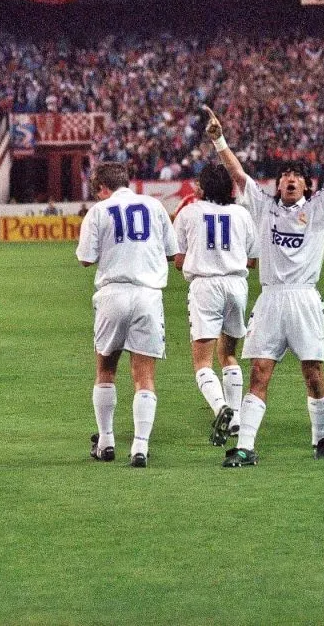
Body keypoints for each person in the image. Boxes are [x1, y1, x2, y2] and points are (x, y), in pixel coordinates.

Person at [204, 104, 324, 467]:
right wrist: (219, 140)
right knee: (259, 372)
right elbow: (238, 173)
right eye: (285, 176)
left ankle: (321, 439)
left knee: (313, 374)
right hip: (270, 300)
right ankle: (245, 446)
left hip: (304, 299)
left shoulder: (320, 207)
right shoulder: (264, 208)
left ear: (306, 185)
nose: (291, 180)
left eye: (297, 176)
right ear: (278, 184)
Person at [76, 162, 179, 468]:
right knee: (144, 375)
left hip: (113, 294)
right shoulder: (155, 206)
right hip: (148, 295)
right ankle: (140, 448)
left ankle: (106, 441)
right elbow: (173, 253)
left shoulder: (99, 211)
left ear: (101, 188)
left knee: (106, 369)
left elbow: (86, 259)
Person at [172, 163, 258, 446]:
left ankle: (221, 407)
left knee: (202, 362)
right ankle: (235, 420)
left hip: (205, 286)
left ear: (204, 187)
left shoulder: (188, 213)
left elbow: (179, 259)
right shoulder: (242, 214)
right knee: (229, 353)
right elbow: (253, 260)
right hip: (236, 286)